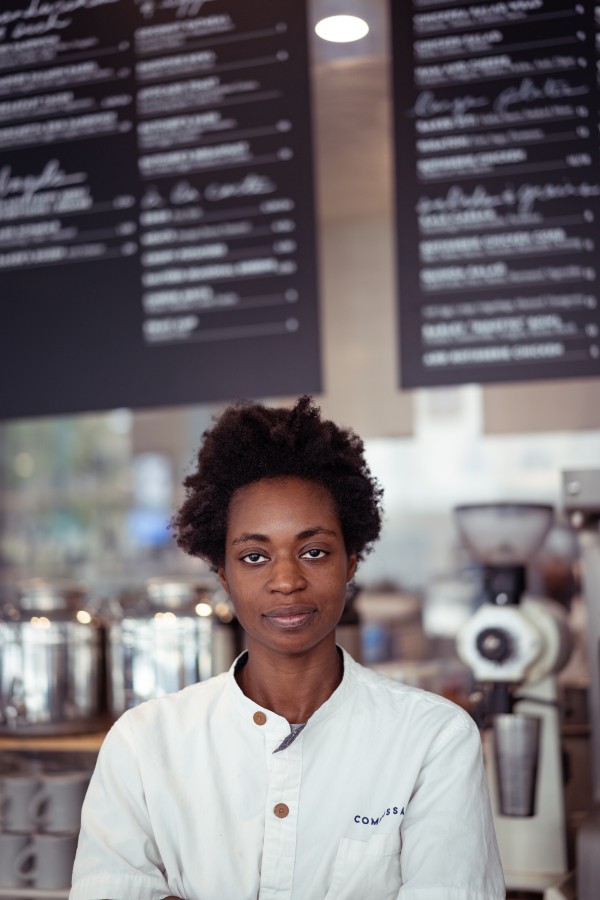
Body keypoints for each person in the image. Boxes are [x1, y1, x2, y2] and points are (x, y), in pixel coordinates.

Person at [70, 396, 505, 900]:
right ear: (224, 577)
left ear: (352, 564)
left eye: (314, 551)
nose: (286, 580)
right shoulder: (145, 744)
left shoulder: (433, 739)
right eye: (254, 556)